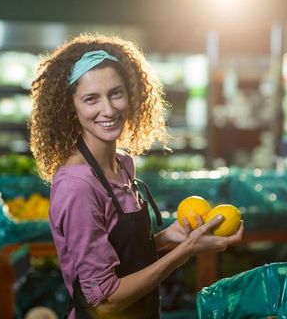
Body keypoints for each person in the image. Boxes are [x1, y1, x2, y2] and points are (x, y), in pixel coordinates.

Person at [29, 33, 244, 319]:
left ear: (131, 93)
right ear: (71, 106)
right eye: (91, 99)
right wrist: (186, 252)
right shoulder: (78, 186)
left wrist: (168, 239)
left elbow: (121, 260)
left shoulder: (123, 165)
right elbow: (104, 302)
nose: (108, 109)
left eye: (115, 93)